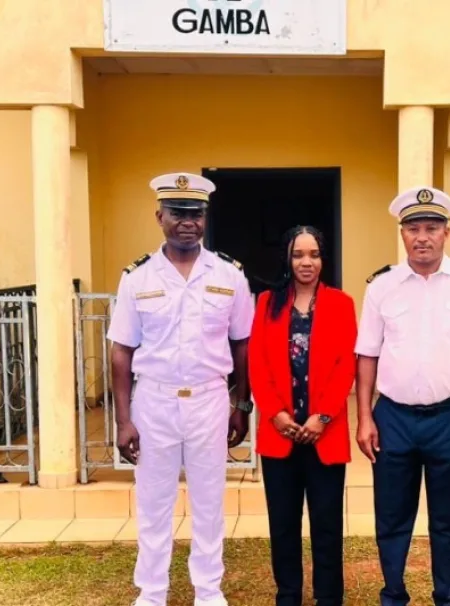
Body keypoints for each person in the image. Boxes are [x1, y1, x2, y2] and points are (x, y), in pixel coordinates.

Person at [107, 172, 255, 606]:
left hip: (209, 399)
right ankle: (152, 593)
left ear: (205, 218)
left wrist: (241, 403)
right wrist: (123, 419)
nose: (188, 222)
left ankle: (208, 591)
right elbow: (121, 350)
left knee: (209, 502)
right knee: (154, 503)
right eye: (178, 213)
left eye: (196, 214)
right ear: (160, 217)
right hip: (154, 401)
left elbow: (242, 343)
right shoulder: (137, 277)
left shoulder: (229, 274)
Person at [354, 186, 450, 606]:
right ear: (402, 234)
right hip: (394, 419)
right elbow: (366, 355)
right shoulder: (382, 286)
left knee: (448, 521)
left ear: (446, 233)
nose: (422, 237)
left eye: (432, 228)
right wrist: (364, 417)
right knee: (391, 519)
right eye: (413, 228)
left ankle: (447, 597)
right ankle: (393, 595)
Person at [248, 225, 358, 606]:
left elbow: (346, 364)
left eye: (313, 254)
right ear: (287, 258)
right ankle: (288, 595)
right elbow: (257, 363)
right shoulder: (267, 303)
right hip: (280, 433)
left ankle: (329, 597)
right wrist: (275, 413)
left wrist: (323, 416)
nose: (306, 262)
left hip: (324, 434)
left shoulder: (341, 304)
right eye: (298, 255)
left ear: (323, 259)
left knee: (327, 525)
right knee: (283, 525)